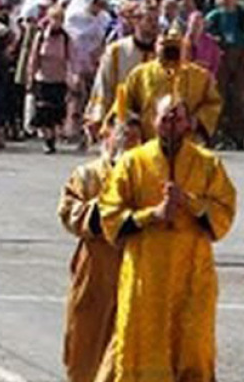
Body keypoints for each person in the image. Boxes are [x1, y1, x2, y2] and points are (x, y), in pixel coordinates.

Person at [98, 96, 236, 382]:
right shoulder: (133, 163)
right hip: (146, 270)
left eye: (178, 119)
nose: (171, 125)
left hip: (191, 271)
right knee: (141, 343)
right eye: (165, 119)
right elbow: (110, 214)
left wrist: (190, 202)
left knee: (193, 345)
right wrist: (152, 215)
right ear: (154, 121)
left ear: (187, 124)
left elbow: (224, 212)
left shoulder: (208, 164)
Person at [58, 111, 142, 382]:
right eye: (122, 134)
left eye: (135, 137)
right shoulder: (88, 175)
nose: (128, 142)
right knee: (85, 347)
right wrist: (105, 210)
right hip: (96, 270)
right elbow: (68, 211)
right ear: (109, 137)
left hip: (137, 269)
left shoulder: (151, 176)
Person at [116, 25, 221, 143]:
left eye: (176, 45)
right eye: (165, 44)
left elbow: (213, 103)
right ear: (155, 46)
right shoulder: (139, 74)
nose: (171, 49)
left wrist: (197, 120)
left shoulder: (200, 76)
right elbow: (124, 104)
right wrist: (133, 125)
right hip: (148, 142)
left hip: (188, 142)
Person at [85, 1, 158, 140]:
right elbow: (103, 84)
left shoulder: (163, 52)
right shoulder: (117, 51)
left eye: (156, 20)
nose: (154, 24)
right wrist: (97, 116)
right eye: (149, 19)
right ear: (136, 21)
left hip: (154, 124)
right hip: (123, 121)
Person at [204, 0, 244, 149]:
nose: (227, 0)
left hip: (240, 55)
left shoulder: (243, 16)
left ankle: (238, 136)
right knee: (219, 96)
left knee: (241, 96)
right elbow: (205, 39)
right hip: (221, 56)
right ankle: (218, 135)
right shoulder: (214, 16)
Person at [28, 6, 71, 153]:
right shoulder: (41, 36)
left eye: (60, 19)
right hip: (43, 78)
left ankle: (53, 137)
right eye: (54, 18)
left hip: (59, 79)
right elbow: (34, 57)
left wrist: (72, 77)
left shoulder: (65, 37)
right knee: (43, 110)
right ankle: (48, 140)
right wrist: (31, 76)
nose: (56, 22)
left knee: (56, 111)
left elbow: (71, 58)